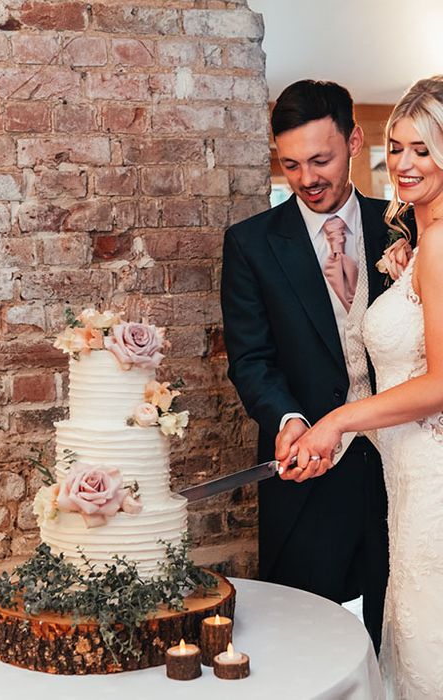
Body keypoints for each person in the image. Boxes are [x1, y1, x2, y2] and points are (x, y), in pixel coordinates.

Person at [221, 80, 403, 652]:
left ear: (355, 140)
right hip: (309, 470)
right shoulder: (251, 244)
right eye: (291, 163)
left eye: (320, 160)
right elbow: (252, 359)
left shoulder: (406, 226)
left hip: (405, 462)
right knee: (303, 641)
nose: (306, 179)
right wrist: (288, 420)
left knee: (403, 628)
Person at [281, 75, 443, 698]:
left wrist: (340, 421)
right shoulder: (416, 242)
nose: (403, 163)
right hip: (403, 483)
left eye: (423, 150)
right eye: (397, 147)